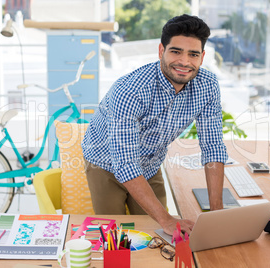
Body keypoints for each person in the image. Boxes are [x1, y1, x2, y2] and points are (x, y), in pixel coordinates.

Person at [81, 14, 228, 235]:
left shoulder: (207, 85)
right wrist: (167, 220)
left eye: (193, 54)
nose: (184, 62)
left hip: (150, 162)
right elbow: (125, 164)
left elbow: (213, 147)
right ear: (161, 51)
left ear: (202, 57)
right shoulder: (130, 90)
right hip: (105, 163)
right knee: (116, 237)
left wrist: (217, 213)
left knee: (156, 236)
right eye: (176, 51)